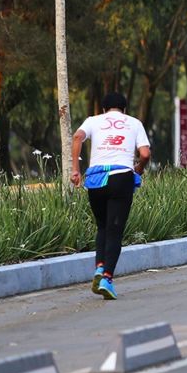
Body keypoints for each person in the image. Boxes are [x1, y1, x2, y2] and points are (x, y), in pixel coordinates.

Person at [70, 92, 151, 301]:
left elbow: (77, 137)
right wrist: (139, 168)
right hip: (121, 177)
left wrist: (76, 170)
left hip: (96, 179)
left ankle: (99, 267)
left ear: (104, 109)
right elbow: (145, 154)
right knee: (115, 231)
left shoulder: (93, 121)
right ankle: (107, 278)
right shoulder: (134, 123)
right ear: (124, 109)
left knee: (102, 227)